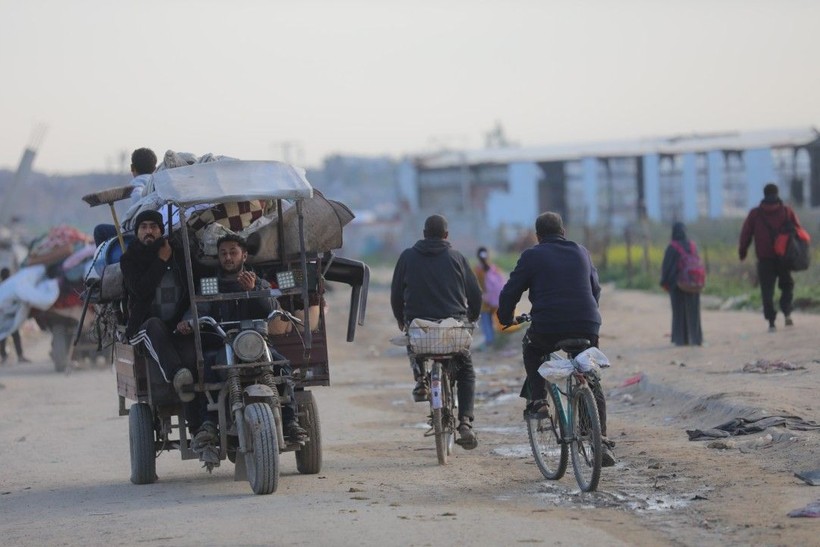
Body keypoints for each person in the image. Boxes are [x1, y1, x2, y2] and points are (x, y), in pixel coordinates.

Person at [497, 211, 615, 466]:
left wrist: (505, 318)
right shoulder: (582, 252)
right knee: (590, 373)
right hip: (587, 324)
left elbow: (511, 291)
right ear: (563, 232)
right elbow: (595, 289)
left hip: (549, 326)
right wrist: (587, 314)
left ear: (538, 236)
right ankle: (600, 438)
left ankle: (539, 400)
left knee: (532, 349)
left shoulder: (532, 256)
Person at [180, 233, 307, 442]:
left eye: (233, 252)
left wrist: (254, 290)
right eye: (223, 253)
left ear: (244, 256)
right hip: (224, 344)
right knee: (208, 371)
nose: (228, 257)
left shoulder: (260, 283)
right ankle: (209, 424)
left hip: (257, 345)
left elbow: (272, 309)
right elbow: (199, 308)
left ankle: (290, 421)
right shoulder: (211, 284)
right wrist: (188, 322)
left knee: (283, 367)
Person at [390, 214, 482, 450]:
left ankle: (421, 379)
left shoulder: (407, 257)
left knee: (414, 342)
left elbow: (396, 295)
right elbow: (475, 294)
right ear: (446, 236)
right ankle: (465, 422)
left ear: (423, 234)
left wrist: (401, 320)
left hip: (420, 328)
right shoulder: (457, 258)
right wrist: (471, 317)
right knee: (466, 370)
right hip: (453, 328)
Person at [118, 210, 208, 448]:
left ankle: (200, 430)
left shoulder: (177, 252)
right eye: (144, 227)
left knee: (194, 362)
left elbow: (196, 281)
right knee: (155, 329)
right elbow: (140, 290)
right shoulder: (130, 259)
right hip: (143, 328)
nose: (149, 231)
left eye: (153, 227)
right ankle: (175, 374)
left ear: (161, 230)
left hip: (176, 327)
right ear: (137, 232)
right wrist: (160, 261)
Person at [739, 183, 804, 332]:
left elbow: (745, 234)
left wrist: (743, 252)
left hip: (764, 259)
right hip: (784, 257)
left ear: (764, 194)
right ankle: (787, 313)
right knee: (787, 285)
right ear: (777, 193)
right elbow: (799, 231)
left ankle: (771, 323)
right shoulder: (787, 212)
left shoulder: (755, 214)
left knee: (767, 290)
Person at [93, 148, 158, 246]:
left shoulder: (137, 184)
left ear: (132, 168)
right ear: (155, 168)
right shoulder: (159, 183)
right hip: (155, 229)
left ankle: (104, 261)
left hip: (136, 233)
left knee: (99, 230)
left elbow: (138, 198)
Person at [660, 222, 703, 346]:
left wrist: (664, 283)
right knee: (694, 311)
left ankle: (680, 340)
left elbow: (666, 267)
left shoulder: (672, 247)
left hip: (677, 284)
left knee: (678, 313)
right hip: (694, 284)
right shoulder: (693, 245)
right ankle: (696, 339)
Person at [473, 247, 505, 349]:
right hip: (495, 299)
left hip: (484, 300)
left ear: (478, 256)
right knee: (493, 321)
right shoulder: (494, 268)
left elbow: (474, 285)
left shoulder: (477, 270)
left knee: (486, 322)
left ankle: (489, 341)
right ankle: (495, 341)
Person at [0, 267, 31, 364]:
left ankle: (4, 356)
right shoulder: (11, 286)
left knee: (3, 336)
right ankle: (20, 356)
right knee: (14, 335)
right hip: (11, 316)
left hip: (4, 316)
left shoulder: (3, 287)